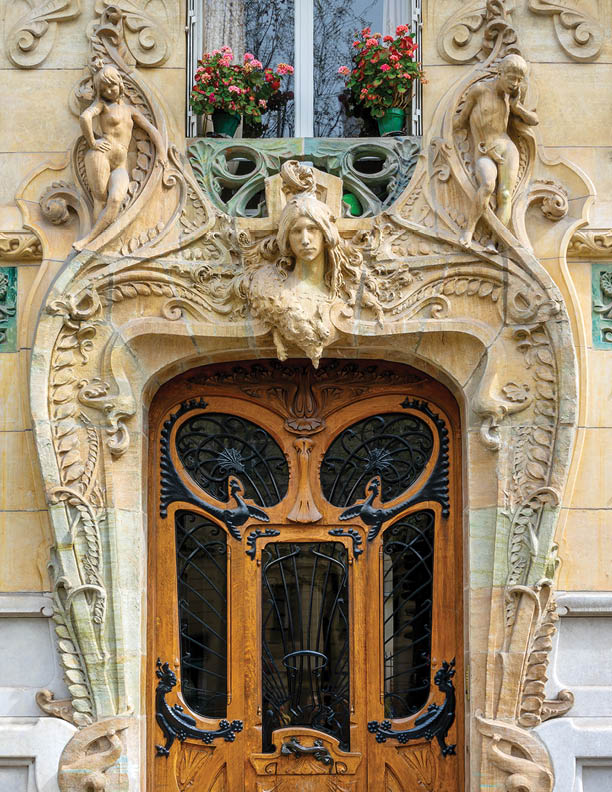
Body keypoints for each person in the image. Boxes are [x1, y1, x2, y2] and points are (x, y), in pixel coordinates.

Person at [74, 64, 168, 251]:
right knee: (100, 200)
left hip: (120, 164)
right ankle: (93, 243)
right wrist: (92, 142)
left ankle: (91, 240)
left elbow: (151, 130)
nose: (109, 91)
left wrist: (162, 154)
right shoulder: (102, 105)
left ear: (120, 84)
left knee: (116, 199)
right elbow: (85, 117)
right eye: (104, 89)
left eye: (112, 86)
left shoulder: (131, 111)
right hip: (100, 155)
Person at [453, 53, 538, 248]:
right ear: (500, 73)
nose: (515, 83)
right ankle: (469, 229)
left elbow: (534, 120)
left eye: (519, 80)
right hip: (484, 151)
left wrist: (517, 107)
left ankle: (494, 241)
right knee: (488, 184)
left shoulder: (512, 97)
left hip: (507, 149)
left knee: (505, 195)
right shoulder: (479, 91)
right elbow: (460, 121)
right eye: (511, 78)